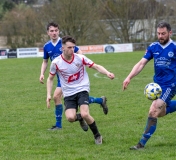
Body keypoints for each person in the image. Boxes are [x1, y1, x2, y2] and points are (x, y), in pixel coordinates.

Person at [39, 22, 108, 130]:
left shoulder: (65, 43)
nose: (54, 33)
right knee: (62, 97)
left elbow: (79, 52)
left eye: (56, 30)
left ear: (59, 31)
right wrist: (42, 73)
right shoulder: (47, 46)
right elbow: (45, 61)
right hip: (60, 75)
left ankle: (59, 125)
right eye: (51, 31)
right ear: (48, 32)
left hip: (69, 75)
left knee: (57, 96)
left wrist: (78, 65)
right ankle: (99, 101)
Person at [46, 35, 115, 144]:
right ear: (62, 48)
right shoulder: (56, 62)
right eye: (69, 47)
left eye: (73, 47)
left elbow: (96, 66)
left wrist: (107, 73)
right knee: (70, 118)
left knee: (85, 114)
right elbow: (50, 79)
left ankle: (97, 135)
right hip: (68, 93)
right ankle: (79, 118)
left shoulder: (80, 58)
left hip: (82, 88)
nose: (72, 50)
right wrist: (48, 94)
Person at [123, 21, 176, 150]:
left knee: (153, 110)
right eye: (158, 33)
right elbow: (141, 63)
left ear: (170, 33)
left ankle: (141, 144)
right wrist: (129, 77)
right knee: (160, 112)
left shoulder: (174, 47)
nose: (160, 36)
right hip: (157, 85)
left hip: (171, 84)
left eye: (163, 33)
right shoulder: (153, 47)